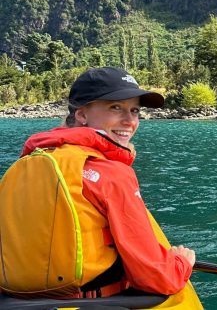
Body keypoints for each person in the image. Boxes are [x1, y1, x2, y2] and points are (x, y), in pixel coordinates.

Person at [0, 67, 195, 299]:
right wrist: (181, 262)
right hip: (92, 302)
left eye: (134, 111)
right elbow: (156, 277)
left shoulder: (33, 160)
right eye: (115, 108)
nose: (129, 121)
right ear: (82, 115)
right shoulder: (111, 173)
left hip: (19, 298)